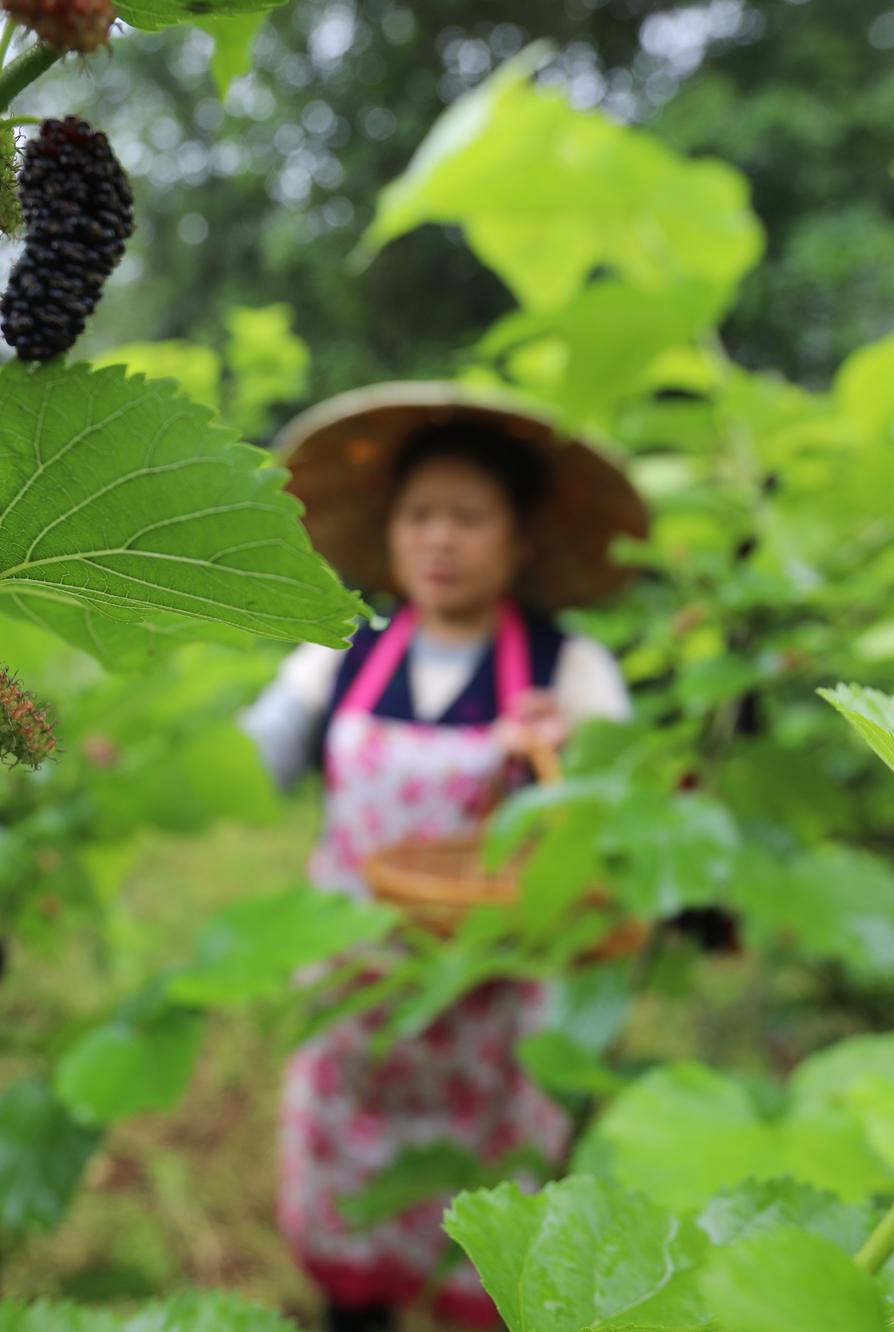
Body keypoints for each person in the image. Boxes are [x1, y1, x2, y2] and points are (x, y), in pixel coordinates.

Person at [240, 384, 649, 1330]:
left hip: (491, 1015)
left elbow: (616, 823)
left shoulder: (570, 670)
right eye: (421, 514)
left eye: (469, 517)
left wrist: (568, 757)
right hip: (359, 996)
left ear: (518, 538)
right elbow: (253, 761)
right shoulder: (340, 650)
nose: (441, 539)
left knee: (491, 1253)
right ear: (391, 532)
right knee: (355, 1249)